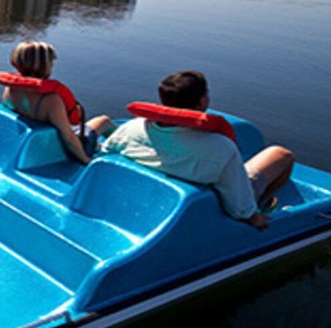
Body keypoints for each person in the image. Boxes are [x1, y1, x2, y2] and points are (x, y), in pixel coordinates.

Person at [95, 71, 294, 229]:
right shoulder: (220, 147)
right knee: (281, 155)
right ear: (202, 102)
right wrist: (251, 216)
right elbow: (237, 202)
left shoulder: (132, 128)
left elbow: (106, 154)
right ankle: (261, 204)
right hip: (199, 199)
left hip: (146, 193)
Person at [0, 41, 99, 164]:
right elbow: (68, 137)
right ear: (44, 65)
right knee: (103, 121)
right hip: (55, 149)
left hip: (32, 143)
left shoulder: (10, 88)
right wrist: (86, 160)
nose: (52, 65)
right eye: (51, 62)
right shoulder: (51, 100)